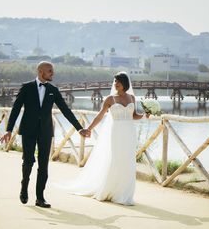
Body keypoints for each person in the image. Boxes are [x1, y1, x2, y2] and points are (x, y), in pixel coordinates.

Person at [0, 62, 90, 208]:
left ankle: (40, 198)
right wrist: (9, 130)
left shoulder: (53, 90)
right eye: (50, 71)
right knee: (28, 161)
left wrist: (79, 129)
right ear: (41, 72)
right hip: (28, 130)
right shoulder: (27, 87)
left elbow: (66, 110)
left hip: (45, 132)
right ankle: (24, 186)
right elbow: (16, 109)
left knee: (43, 165)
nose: (52, 74)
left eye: (52, 71)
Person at [58, 72, 148, 205]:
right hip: (116, 132)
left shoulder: (132, 98)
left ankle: (124, 193)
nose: (115, 84)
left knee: (128, 161)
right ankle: (110, 190)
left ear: (124, 83)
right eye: (115, 81)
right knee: (116, 159)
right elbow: (100, 116)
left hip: (129, 132)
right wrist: (88, 128)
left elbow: (133, 115)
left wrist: (146, 114)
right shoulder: (110, 99)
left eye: (118, 81)